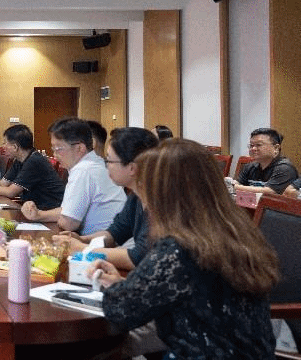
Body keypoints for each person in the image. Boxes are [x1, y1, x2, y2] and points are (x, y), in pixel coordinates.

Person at [89, 139, 280, 360]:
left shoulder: (179, 248)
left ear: (163, 192)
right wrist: (125, 285)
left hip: (202, 352)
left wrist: (115, 288)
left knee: (95, 350)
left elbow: (121, 311)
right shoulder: (237, 232)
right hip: (252, 353)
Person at [53, 127, 158, 270]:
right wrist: (82, 240)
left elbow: (137, 258)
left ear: (132, 168)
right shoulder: (136, 196)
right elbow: (114, 234)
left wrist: (83, 249)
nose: (106, 165)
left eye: (109, 160)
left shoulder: (158, 204)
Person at [22, 117, 125, 235]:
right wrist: (38, 215)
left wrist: (60, 218)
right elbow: (68, 212)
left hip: (103, 243)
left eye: (58, 149)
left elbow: (68, 223)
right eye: (53, 149)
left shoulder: (83, 170)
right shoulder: (95, 163)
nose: (55, 155)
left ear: (79, 148)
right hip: (105, 239)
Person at [0, 124, 63, 210]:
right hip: (32, 208)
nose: (3, 147)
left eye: (5, 143)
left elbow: (11, 192)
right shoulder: (20, 159)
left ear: (15, 147)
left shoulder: (34, 161)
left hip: (47, 211)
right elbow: (2, 184)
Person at [232, 127, 298, 195]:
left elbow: (269, 192)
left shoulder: (285, 168)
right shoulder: (249, 167)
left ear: (276, 148)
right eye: (251, 145)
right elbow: (238, 184)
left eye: (259, 145)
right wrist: (232, 184)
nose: (253, 149)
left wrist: (234, 187)